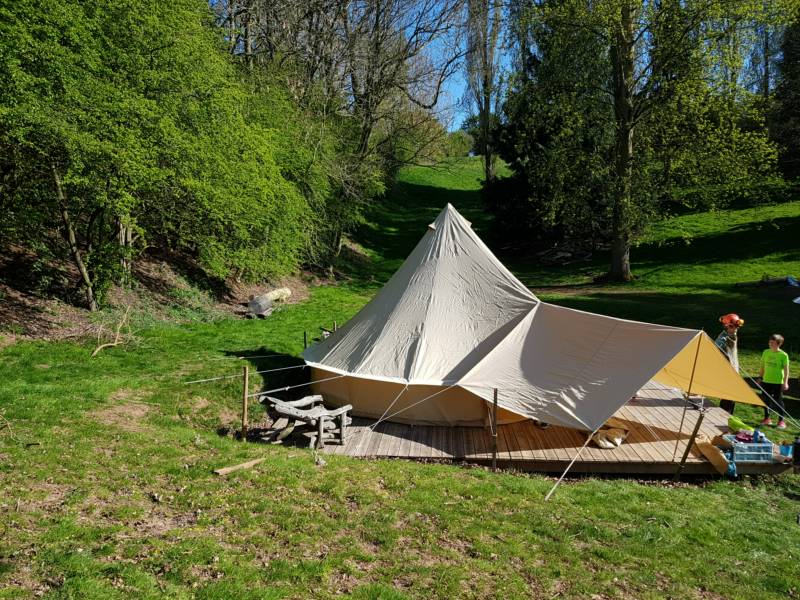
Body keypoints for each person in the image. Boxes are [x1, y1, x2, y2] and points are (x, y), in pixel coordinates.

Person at [758, 334, 790, 429]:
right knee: (765, 400)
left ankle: (781, 421)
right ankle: (767, 419)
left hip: (777, 382)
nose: (770, 344)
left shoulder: (783, 355)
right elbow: (762, 366)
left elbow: (786, 370)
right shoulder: (765, 352)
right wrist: (760, 377)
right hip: (766, 381)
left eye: (772, 342)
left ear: (778, 344)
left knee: (778, 401)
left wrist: (785, 382)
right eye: (770, 342)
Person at [715, 313, 743, 414]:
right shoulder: (723, 338)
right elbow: (715, 349)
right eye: (732, 326)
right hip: (727, 372)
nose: (735, 328)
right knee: (727, 398)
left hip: (734, 370)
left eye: (737, 326)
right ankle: (723, 417)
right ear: (726, 326)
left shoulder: (733, 335)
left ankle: (728, 417)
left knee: (732, 398)